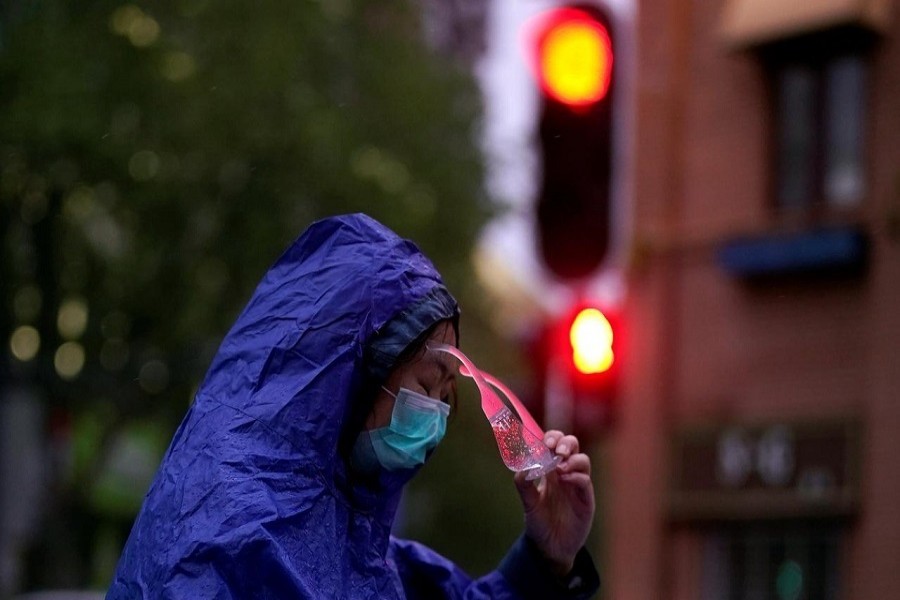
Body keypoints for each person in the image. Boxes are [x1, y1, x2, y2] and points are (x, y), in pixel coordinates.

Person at [107, 213, 600, 599]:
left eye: (446, 396)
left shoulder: (357, 542)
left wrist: (546, 559)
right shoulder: (234, 538)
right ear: (353, 374)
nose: (436, 417)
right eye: (428, 385)